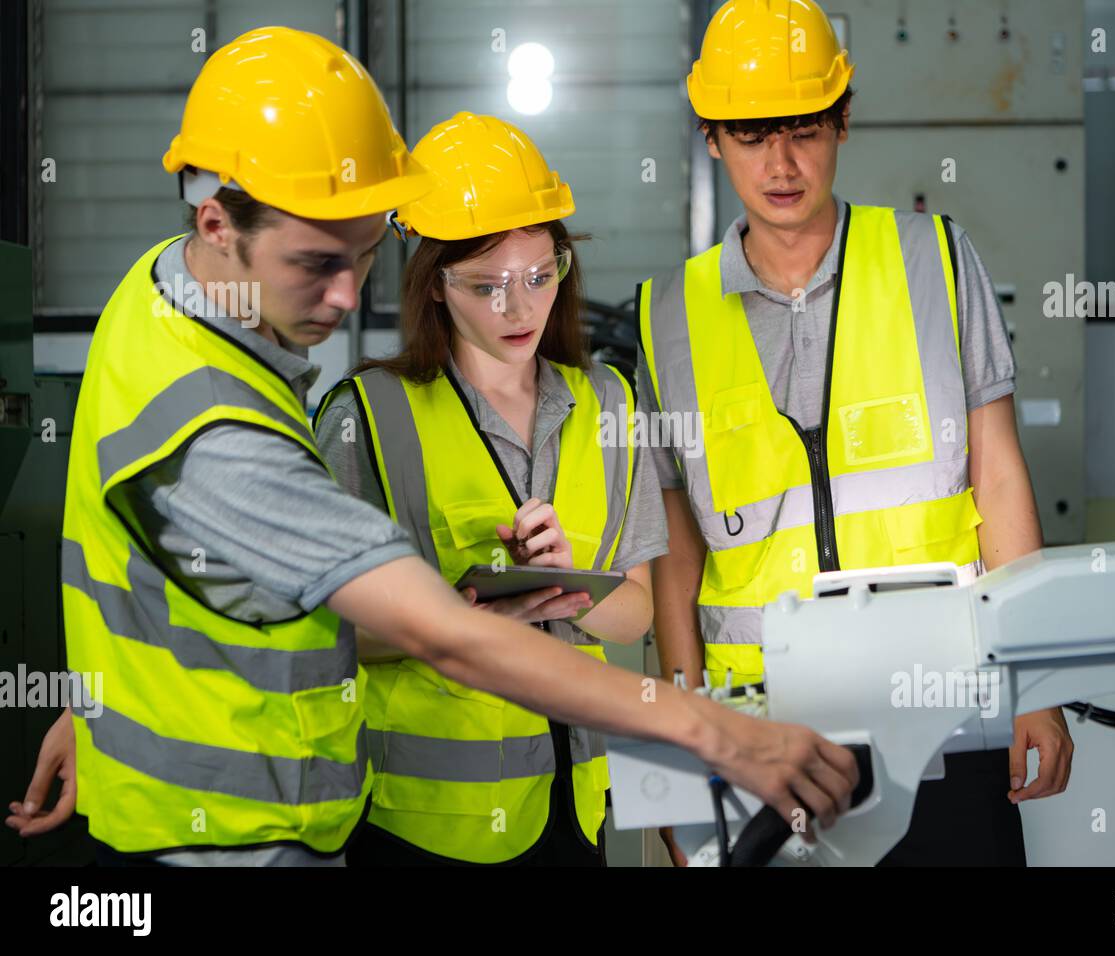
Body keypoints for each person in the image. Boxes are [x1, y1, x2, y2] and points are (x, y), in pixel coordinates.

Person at [4, 27, 858, 865]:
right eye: (313, 262)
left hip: (463, 809)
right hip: (232, 833)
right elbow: (445, 637)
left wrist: (99, 700)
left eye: (365, 254)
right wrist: (719, 734)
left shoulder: (160, 285)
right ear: (217, 220)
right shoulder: (235, 432)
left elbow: (156, 582)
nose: (344, 297)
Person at [638, 0, 1072, 866]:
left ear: (843, 121)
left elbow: (999, 476)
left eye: (804, 129)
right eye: (753, 135)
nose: (783, 162)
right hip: (765, 736)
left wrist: (1040, 683)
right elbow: (675, 551)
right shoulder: (669, 315)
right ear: (713, 139)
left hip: (946, 709)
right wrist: (686, 743)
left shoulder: (936, 260)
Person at [314, 112, 665, 866]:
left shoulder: (607, 403)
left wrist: (578, 590)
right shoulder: (369, 417)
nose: (520, 308)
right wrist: (455, 616)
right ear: (434, 285)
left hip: (574, 813)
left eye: (542, 277)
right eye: (487, 286)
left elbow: (636, 612)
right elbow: (319, 634)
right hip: (423, 823)